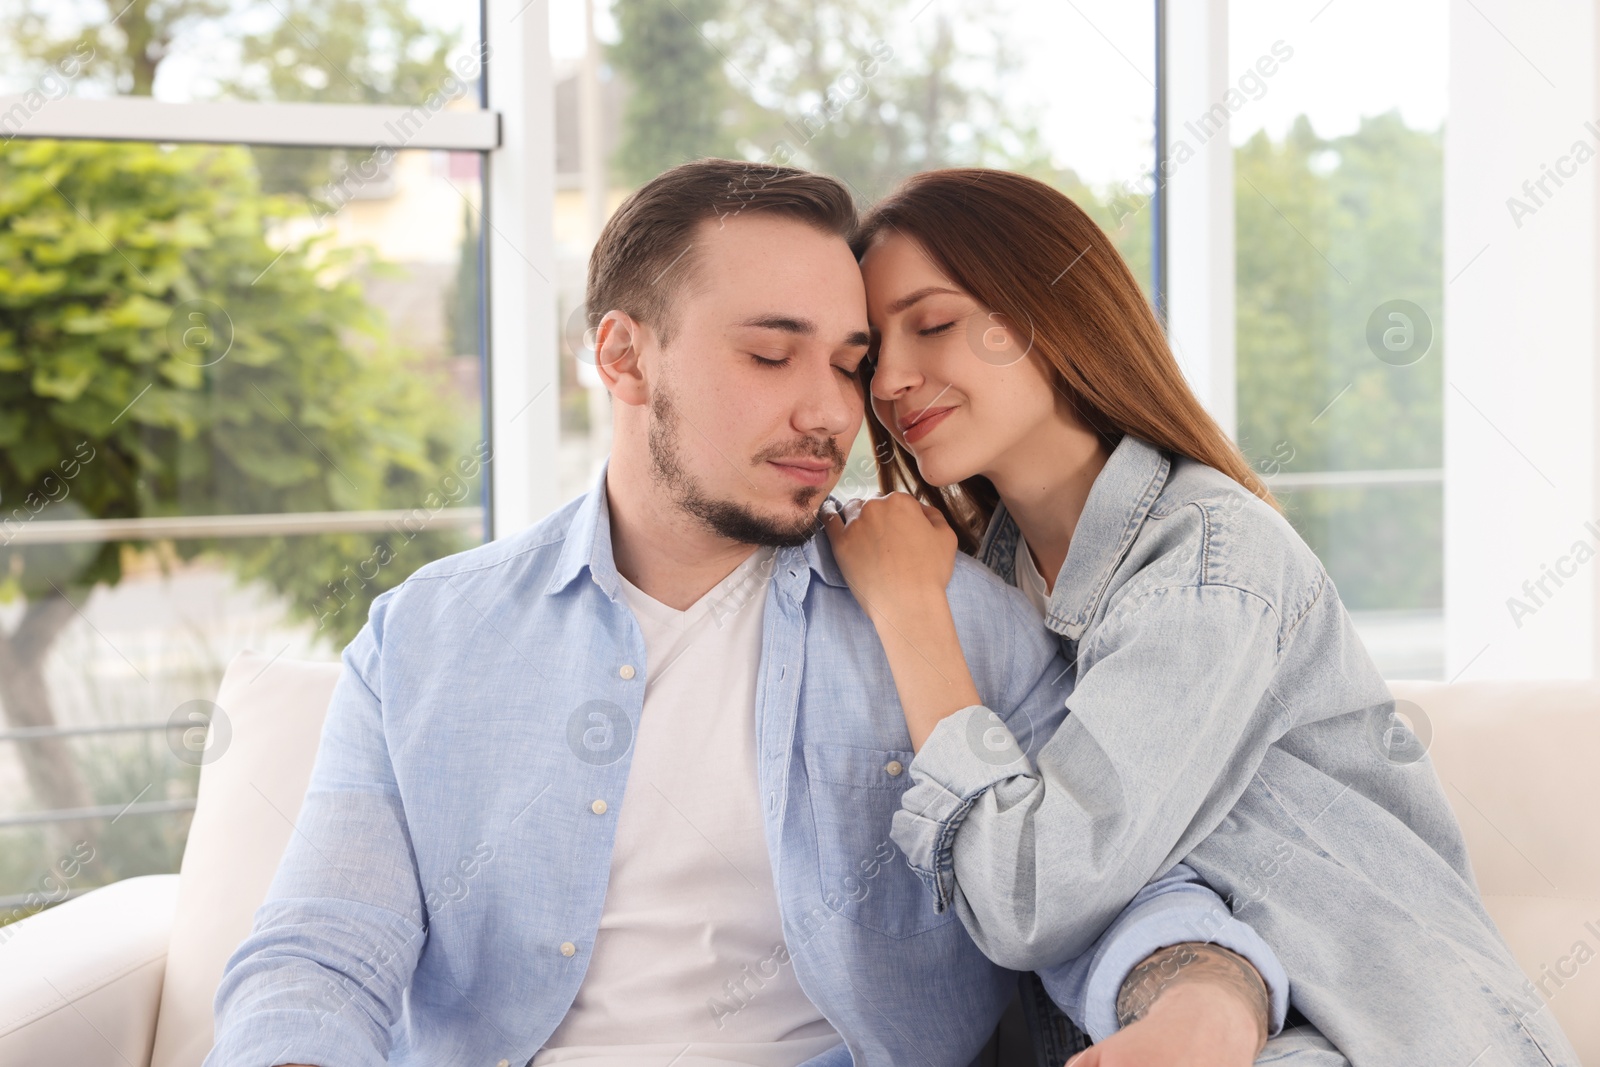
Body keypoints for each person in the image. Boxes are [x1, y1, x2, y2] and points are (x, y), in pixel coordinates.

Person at [206, 159, 1293, 1067]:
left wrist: (1209, 995)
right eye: (770, 354)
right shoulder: (426, 636)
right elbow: (324, 947)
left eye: (848, 364)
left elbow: (1117, 899)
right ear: (623, 356)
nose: (830, 411)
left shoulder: (959, 618)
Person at [824, 167, 1581, 1067]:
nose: (892, 381)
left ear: (1047, 314)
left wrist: (912, 616)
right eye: (872, 355)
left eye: (935, 324)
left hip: (1382, 1032)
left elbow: (1035, 895)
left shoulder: (1210, 563)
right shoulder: (993, 574)